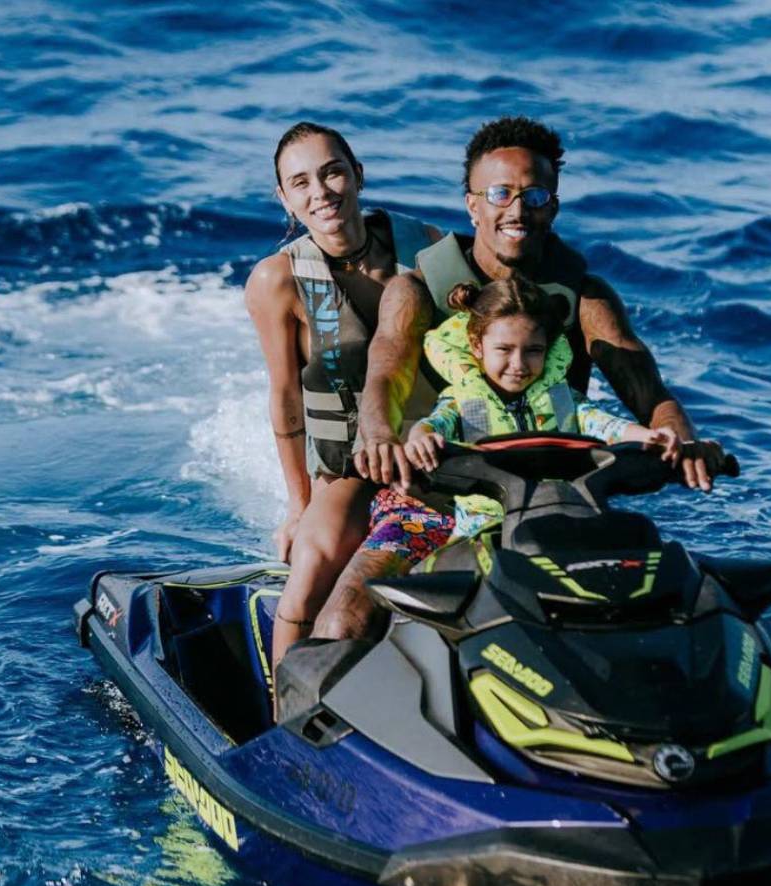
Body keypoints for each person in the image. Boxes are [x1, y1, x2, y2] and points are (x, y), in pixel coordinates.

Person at [304, 115, 723, 647]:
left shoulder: (585, 298)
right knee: (347, 618)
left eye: (535, 194)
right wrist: (383, 440)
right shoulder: (416, 290)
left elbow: (649, 395)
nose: (517, 209)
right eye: (500, 193)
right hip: (432, 499)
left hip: (556, 505)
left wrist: (681, 444)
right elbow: (385, 375)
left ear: (554, 204)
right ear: (472, 203)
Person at [243, 121, 439, 666]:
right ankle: (285, 711)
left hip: (434, 455)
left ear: (357, 175)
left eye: (332, 173)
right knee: (309, 574)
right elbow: (284, 398)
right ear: (284, 199)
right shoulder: (275, 281)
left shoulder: (425, 246)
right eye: (300, 182)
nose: (321, 192)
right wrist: (298, 505)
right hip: (349, 468)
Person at [403, 274, 679, 542]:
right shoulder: (462, 403)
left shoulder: (562, 400)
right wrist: (420, 439)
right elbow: (433, 425)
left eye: (533, 350)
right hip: (485, 533)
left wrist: (649, 438)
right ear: (477, 346)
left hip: (564, 521)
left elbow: (606, 425)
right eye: (504, 349)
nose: (519, 364)